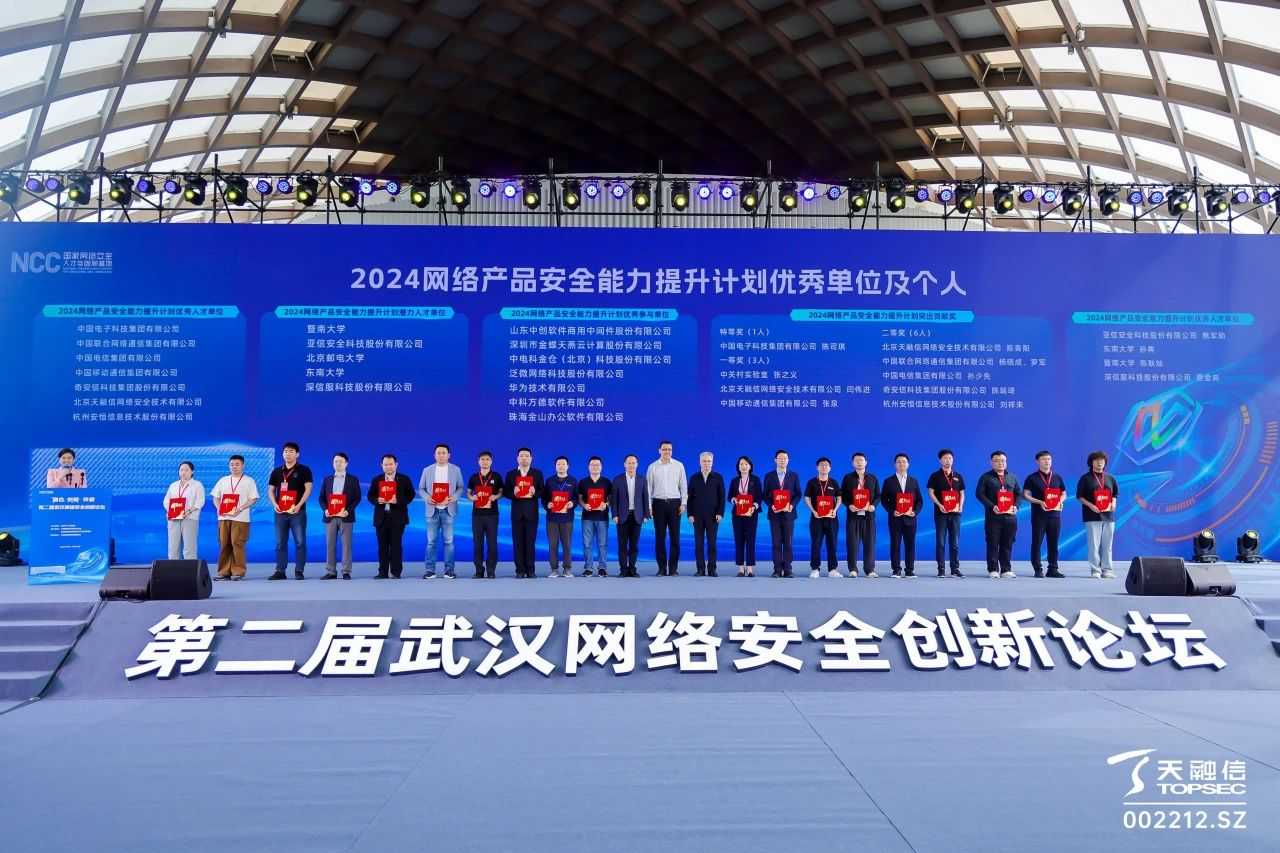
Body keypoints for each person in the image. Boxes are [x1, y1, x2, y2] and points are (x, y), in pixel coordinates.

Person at [266, 441, 314, 580]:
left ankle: (299, 570)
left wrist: (299, 505)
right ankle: (280, 571)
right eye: (285, 451)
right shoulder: (276, 471)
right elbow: (270, 490)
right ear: (282, 454)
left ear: (297, 454)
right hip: (280, 513)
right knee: (280, 543)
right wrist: (275, 504)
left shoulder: (304, 470)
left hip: (297, 512)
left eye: (291, 451)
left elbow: (308, 489)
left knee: (300, 542)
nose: (288, 454)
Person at [209, 454, 259, 580]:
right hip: (224, 518)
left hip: (240, 518)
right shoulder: (223, 480)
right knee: (224, 544)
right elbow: (215, 497)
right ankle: (224, 572)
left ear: (243, 465)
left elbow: (253, 499)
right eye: (232, 464)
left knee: (237, 543)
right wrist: (219, 508)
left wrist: (240, 508)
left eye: (237, 464)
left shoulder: (249, 481)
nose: (234, 467)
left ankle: (238, 571)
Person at [419, 443, 465, 579]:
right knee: (431, 542)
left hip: (448, 510)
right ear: (434, 455)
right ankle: (429, 570)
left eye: (444, 453)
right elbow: (421, 488)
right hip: (432, 510)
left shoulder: (455, 470)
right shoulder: (427, 470)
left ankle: (449, 570)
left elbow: (460, 487)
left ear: (449, 455)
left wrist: (452, 498)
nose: (441, 455)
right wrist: (427, 498)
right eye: (438, 453)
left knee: (449, 542)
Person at [976, 450, 1020, 579]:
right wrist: (992, 506)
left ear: (1006, 462)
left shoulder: (1012, 477)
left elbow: (1019, 493)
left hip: (1010, 517)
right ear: (991, 462)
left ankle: (1006, 569)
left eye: (1003, 461)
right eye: (997, 461)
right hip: (993, 516)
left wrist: (1016, 506)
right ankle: (993, 569)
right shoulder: (985, 477)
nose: (1000, 463)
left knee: (1007, 543)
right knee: (993, 543)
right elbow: (979, 494)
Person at [1023, 450, 1067, 579]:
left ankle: (1053, 569)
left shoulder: (1057, 477)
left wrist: (1061, 501)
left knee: (1053, 542)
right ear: (1037, 461)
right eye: (1043, 459)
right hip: (1039, 515)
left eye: (1049, 459)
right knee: (1037, 542)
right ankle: (1038, 569)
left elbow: (1064, 493)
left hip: (1055, 515)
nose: (1047, 461)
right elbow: (1025, 495)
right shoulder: (1032, 478)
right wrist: (1039, 502)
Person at [369, 454, 414, 578]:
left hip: (398, 518)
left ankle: (396, 571)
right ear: (381, 465)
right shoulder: (377, 479)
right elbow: (370, 496)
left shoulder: (404, 479)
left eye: (390, 464)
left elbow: (410, 496)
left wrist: (398, 500)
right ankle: (382, 572)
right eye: (385, 464)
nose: (388, 467)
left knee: (396, 546)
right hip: (381, 518)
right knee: (382, 546)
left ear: (396, 465)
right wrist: (377, 500)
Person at [646, 439, 687, 576]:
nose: (667, 451)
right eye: (664, 449)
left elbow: (683, 486)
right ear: (659, 451)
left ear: (672, 451)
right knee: (660, 537)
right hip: (658, 504)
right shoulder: (652, 467)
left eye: (669, 449)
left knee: (675, 538)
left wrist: (683, 503)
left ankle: (673, 568)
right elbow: (648, 488)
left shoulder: (679, 465)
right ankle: (662, 568)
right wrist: (649, 506)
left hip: (675, 504)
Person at [1078, 450, 1120, 579]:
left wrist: (1113, 503)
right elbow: (1080, 496)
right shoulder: (1085, 478)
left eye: (1102, 460)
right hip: (1092, 515)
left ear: (1105, 462)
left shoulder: (1110, 478)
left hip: (1108, 515)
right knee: (1094, 545)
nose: (1099, 463)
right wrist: (1091, 505)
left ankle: (1107, 570)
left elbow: (1115, 494)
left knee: (1107, 545)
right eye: (1096, 460)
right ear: (1091, 463)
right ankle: (1095, 570)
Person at [319, 452, 361, 580]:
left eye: (341, 461)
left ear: (346, 463)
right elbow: (321, 498)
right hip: (330, 517)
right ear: (333, 463)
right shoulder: (327, 479)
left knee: (347, 545)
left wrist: (348, 510)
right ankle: (331, 571)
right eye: (336, 461)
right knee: (330, 544)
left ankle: (346, 571)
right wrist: (325, 509)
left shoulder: (353, 479)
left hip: (345, 516)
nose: (338, 464)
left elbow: (357, 498)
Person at [880, 453, 923, 578]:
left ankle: (909, 570)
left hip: (910, 519)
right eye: (898, 462)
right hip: (895, 518)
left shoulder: (913, 481)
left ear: (908, 464)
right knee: (895, 545)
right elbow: (883, 499)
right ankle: (896, 570)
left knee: (910, 545)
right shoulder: (888, 481)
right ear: (895, 465)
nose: (901, 464)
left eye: (904, 461)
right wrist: (892, 510)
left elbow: (919, 501)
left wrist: (914, 512)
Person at [504, 448, 545, 579]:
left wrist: (535, 492)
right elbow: (506, 492)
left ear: (531, 458)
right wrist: (513, 493)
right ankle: (520, 570)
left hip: (531, 514)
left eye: (527, 456)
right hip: (516, 514)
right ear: (517, 458)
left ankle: (531, 570)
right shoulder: (511, 474)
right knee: (518, 543)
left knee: (530, 543)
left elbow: (542, 491)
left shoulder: (537, 473)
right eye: (521, 456)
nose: (524, 458)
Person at [926, 449, 966, 578]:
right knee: (941, 542)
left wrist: (960, 506)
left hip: (955, 514)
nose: (948, 460)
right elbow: (930, 492)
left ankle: (955, 569)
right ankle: (941, 569)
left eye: (950, 458)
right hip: (941, 513)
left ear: (953, 460)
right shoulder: (935, 476)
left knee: (955, 543)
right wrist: (939, 505)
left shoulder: (958, 476)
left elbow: (962, 493)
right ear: (940, 460)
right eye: (945, 458)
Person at [763, 449, 802, 578]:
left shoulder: (794, 476)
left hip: (789, 514)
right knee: (776, 543)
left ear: (788, 460)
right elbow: (765, 495)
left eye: (785, 458)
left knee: (788, 543)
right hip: (774, 514)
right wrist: (772, 505)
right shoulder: (769, 476)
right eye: (780, 458)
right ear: (775, 460)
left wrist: (791, 505)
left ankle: (788, 569)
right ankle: (777, 569)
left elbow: (798, 494)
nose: (782, 460)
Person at [687, 451, 726, 577]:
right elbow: (689, 498)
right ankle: (700, 569)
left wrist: (720, 513)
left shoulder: (718, 477)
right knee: (698, 544)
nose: (706, 463)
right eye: (704, 461)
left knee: (712, 543)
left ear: (712, 462)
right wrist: (690, 514)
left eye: (709, 461)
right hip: (697, 516)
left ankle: (712, 569)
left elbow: (722, 497)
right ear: (700, 462)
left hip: (713, 516)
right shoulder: (694, 478)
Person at [610, 454, 649, 578]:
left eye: (633, 463)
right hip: (622, 516)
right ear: (624, 465)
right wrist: (614, 514)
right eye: (629, 463)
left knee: (634, 545)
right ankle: (623, 569)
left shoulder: (642, 479)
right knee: (622, 545)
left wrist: (646, 514)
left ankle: (632, 569)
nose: (631, 465)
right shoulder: (617, 480)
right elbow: (614, 500)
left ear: (637, 465)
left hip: (637, 516)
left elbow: (645, 498)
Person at [841, 452, 879, 578]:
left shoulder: (872, 478)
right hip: (853, 516)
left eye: (861, 460)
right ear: (853, 463)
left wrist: (873, 506)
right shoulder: (848, 478)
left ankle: (869, 570)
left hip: (869, 516)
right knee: (852, 543)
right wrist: (849, 505)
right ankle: (853, 569)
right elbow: (843, 495)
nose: (859, 462)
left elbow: (878, 495)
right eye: (856, 460)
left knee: (870, 543)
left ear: (866, 462)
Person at [468, 450, 503, 579]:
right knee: (478, 544)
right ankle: (479, 570)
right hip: (477, 515)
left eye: (487, 459)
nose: (485, 461)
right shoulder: (473, 477)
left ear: (491, 461)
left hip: (492, 515)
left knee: (492, 544)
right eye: (482, 459)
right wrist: (472, 498)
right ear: (478, 461)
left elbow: (501, 492)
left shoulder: (497, 476)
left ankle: (491, 570)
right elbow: (468, 493)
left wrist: (495, 496)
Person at [805, 457, 842, 577]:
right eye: (821, 465)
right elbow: (807, 498)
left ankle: (832, 570)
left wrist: (835, 510)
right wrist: (813, 511)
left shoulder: (834, 482)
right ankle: (815, 569)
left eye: (826, 465)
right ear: (817, 467)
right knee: (816, 543)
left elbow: (839, 498)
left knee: (832, 543)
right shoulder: (812, 482)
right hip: (817, 518)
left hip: (831, 518)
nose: (824, 467)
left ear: (830, 468)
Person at [577, 456, 612, 577]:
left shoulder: (607, 482)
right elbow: (579, 498)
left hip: (602, 517)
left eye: (597, 465)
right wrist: (584, 505)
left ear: (601, 467)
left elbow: (611, 498)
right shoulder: (583, 482)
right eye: (592, 465)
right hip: (587, 517)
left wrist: (606, 504)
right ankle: (588, 568)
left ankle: (602, 568)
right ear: (588, 467)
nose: (595, 467)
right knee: (587, 544)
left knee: (602, 544)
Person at [728, 455, 762, 577]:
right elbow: (729, 496)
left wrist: (754, 507)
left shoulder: (756, 480)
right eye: (741, 464)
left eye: (746, 464)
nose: (743, 466)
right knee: (739, 540)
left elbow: (759, 497)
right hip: (737, 515)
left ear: (750, 466)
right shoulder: (734, 481)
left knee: (751, 540)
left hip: (751, 514)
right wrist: (734, 500)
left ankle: (750, 568)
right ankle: (741, 568)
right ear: (738, 467)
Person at [544, 456, 578, 577]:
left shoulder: (573, 481)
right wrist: (547, 504)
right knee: (553, 544)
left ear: (567, 466)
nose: (561, 466)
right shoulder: (549, 481)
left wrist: (572, 503)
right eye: (558, 464)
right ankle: (554, 569)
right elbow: (544, 498)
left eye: (563, 464)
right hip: (552, 518)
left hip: (567, 518)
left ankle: (567, 568)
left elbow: (576, 498)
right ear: (555, 466)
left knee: (567, 544)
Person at [163, 461, 204, 560]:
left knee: (189, 547)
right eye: (181, 470)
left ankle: (190, 568)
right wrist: (170, 511)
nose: (183, 472)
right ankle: (173, 567)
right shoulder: (173, 485)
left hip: (190, 518)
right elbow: (166, 501)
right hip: (174, 518)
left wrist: (188, 511)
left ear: (192, 471)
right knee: (173, 547)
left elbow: (200, 501)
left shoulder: (197, 485)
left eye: (186, 470)